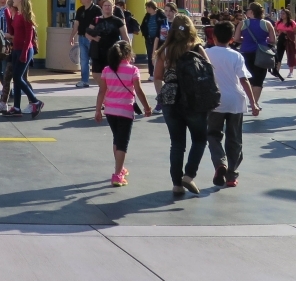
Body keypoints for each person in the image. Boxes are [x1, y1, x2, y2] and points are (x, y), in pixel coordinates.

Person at [153, 15, 211, 196]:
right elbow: (209, 70)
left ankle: (176, 184)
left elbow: (157, 76)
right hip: (194, 99)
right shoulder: (197, 48)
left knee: (177, 144)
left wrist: (161, 95)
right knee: (200, 139)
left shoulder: (165, 50)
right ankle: (189, 175)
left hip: (171, 99)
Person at [206, 20, 260, 188]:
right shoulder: (236, 55)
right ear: (232, 39)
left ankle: (220, 162)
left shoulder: (206, 53)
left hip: (215, 101)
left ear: (213, 37)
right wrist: (253, 103)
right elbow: (243, 80)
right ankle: (231, 175)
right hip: (236, 100)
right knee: (234, 138)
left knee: (213, 134)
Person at [94, 40, 151, 187]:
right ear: (128, 54)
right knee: (122, 144)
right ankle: (117, 174)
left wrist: (97, 110)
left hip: (110, 110)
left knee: (117, 139)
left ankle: (119, 168)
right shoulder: (133, 70)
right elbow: (138, 90)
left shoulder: (107, 70)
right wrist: (146, 107)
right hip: (125, 110)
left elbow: (102, 91)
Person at [6, 0, 44, 119]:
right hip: (16, 49)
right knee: (16, 80)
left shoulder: (26, 16)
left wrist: (25, 52)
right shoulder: (16, 14)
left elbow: (29, 37)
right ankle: (16, 108)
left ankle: (35, 101)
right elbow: (12, 32)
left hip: (24, 49)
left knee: (17, 77)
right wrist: (8, 15)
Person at [236, 2, 277, 105]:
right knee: (259, 80)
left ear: (251, 12)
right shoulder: (267, 24)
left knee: (248, 78)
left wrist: (245, 40)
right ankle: (254, 103)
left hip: (246, 53)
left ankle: (249, 101)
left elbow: (236, 38)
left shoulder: (243, 23)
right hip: (262, 54)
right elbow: (273, 40)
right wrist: (263, 40)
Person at [86, 0, 131, 87]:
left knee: (112, 72)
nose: (107, 7)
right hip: (97, 51)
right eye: (105, 6)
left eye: (109, 5)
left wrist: (128, 53)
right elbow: (87, 33)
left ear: (113, 7)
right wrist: (94, 38)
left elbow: (125, 37)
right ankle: (104, 87)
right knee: (96, 73)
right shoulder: (96, 20)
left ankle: (109, 89)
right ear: (102, 7)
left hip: (113, 51)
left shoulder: (118, 21)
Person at [69, 0, 101, 89]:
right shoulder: (80, 10)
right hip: (81, 37)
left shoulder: (96, 10)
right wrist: (72, 36)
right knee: (83, 60)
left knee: (95, 59)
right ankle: (84, 80)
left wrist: (95, 36)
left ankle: (100, 79)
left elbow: (100, 23)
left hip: (92, 39)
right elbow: (76, 24)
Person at [140, 1, 168, 80]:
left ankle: (161, 72)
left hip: (160, 39)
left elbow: (164, 25)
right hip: (149, 39)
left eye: (147, 7)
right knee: (150, 56)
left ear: (151, 7)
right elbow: (143, 26)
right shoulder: (147, 16)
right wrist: (145, 34)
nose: (146, 9)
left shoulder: (160, 15)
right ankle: (151, 73)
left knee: (160, 55)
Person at [274, 8, 295, 79]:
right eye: (281, 13)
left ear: (287, 14)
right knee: (279, 55)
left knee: (290, 55)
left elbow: (295, 32)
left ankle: (291, 72)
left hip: (289, 40)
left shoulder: (292, 23)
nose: (282, 15)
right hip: (281, 39)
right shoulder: (278, 22)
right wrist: (279, 33)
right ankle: (277, 71)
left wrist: (287, 33)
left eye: (283, 13)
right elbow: (275, 31)